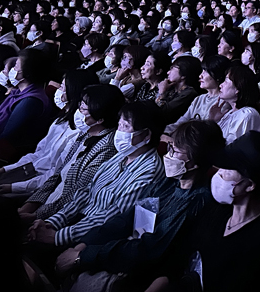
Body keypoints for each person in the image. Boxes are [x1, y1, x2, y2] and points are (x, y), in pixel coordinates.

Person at [54, 120, 226, 291]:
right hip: (124, 250)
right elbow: (127, 217)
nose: (169, 154)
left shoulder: (197, 200)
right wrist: (83, 245)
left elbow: (149, 248)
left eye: (176, 151)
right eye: (170, 147)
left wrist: (83, 257)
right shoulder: (169, 182)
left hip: (143, 271)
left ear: (195, 162)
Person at [167, 130, 260, 292]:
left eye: (227, 170)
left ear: (250, 184)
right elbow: (181, 256)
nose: (218, 175)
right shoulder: (217, 209)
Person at [28, 102, 164, 248]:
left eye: (125, 126)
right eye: (119, 125)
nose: (119, 132)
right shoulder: (121, 155)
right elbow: (85, 192)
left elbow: (111, 217)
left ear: (146, 134)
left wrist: (58, 236)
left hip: (91, 239)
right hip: (75, 223)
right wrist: (53, 221)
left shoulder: (149, 172)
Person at [0, 69, 99, 198]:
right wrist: (3, 170)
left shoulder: (80, 132)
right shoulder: (61, 121)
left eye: (62, 87)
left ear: (73, 92)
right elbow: (39, 154)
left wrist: (13, 187)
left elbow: (55, 174)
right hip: (29, 172)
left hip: (41, 187)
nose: (59, 90)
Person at [20, 84, 123, 221]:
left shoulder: (106, 149)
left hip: (59, 216)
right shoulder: (86, 133)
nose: (78, 111)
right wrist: (29, 206)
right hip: (47, 202)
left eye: (83, 109)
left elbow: (76, 192)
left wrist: (36, 215)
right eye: (80, 105)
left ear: (100, 119)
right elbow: (58, 175)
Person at [0, 48, 52, 164]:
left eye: (16, 67)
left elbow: (5, 135)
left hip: (1, 152)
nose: (12, 70)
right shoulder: (19, 92)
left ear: (27, 73)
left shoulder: (31, 101)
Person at [163, 55, 231, 138]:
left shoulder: (223, 102)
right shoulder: (199, 98)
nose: (200, 76)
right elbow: (182, 122)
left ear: (217, 76)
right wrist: (163, 132)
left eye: (205, 72)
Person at [216, 64, 260, 144]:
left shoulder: (248, 114)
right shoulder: (229, 113)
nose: (221, 85)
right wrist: (213, 120)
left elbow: (232, 149)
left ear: (238, 88)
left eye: (226, 81)